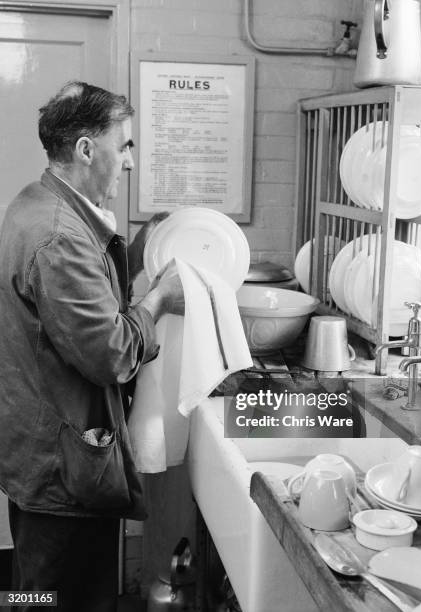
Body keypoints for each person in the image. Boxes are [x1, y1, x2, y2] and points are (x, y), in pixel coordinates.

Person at [0, 81, 184, 611]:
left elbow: (76, 309)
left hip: (41, 452)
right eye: (123, 145)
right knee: (53, 596)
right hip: (62, 470)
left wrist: (140, 250)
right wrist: (160, 300)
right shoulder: (60, 235)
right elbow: (110, 353)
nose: (129, 161)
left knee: (36, 586)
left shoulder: (39, 203)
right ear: (86, 149)